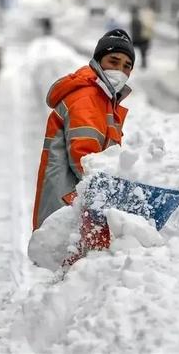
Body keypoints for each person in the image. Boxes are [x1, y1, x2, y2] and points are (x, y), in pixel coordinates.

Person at [32, 29, 135, 231]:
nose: (120, 71)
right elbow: (85, 162)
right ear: (98, 61)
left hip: (72, 204)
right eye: (113, 62)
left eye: (127, 66)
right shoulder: (88, 98)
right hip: (68, 209)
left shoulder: (104, 99)